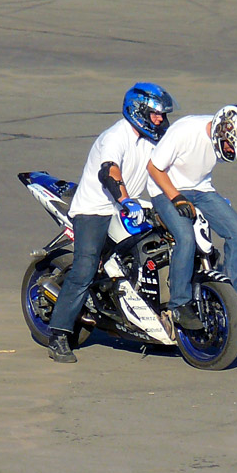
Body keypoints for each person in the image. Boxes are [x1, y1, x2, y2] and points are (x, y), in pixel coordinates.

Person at [47, 83, 179, 363]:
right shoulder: (116, 136)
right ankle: (58, 333)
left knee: (158, 252)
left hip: (128, 206)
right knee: (85, 268)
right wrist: (125, 198)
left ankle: (153, 325)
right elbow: (110, 170)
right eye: (155, 114)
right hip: (96, 209)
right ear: (139, 111)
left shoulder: (154, 138)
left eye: (162, 115)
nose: (160, 119)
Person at [147, 104, 237, 331]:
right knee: (186, 238)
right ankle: (179, 304)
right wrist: (176, 197)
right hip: (165, 190)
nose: (226, 151)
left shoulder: (225, 136)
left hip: (202, 190)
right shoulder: (185, 131)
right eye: (227, 146)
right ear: (221, 131)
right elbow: (154, 168)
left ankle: (228, 300)